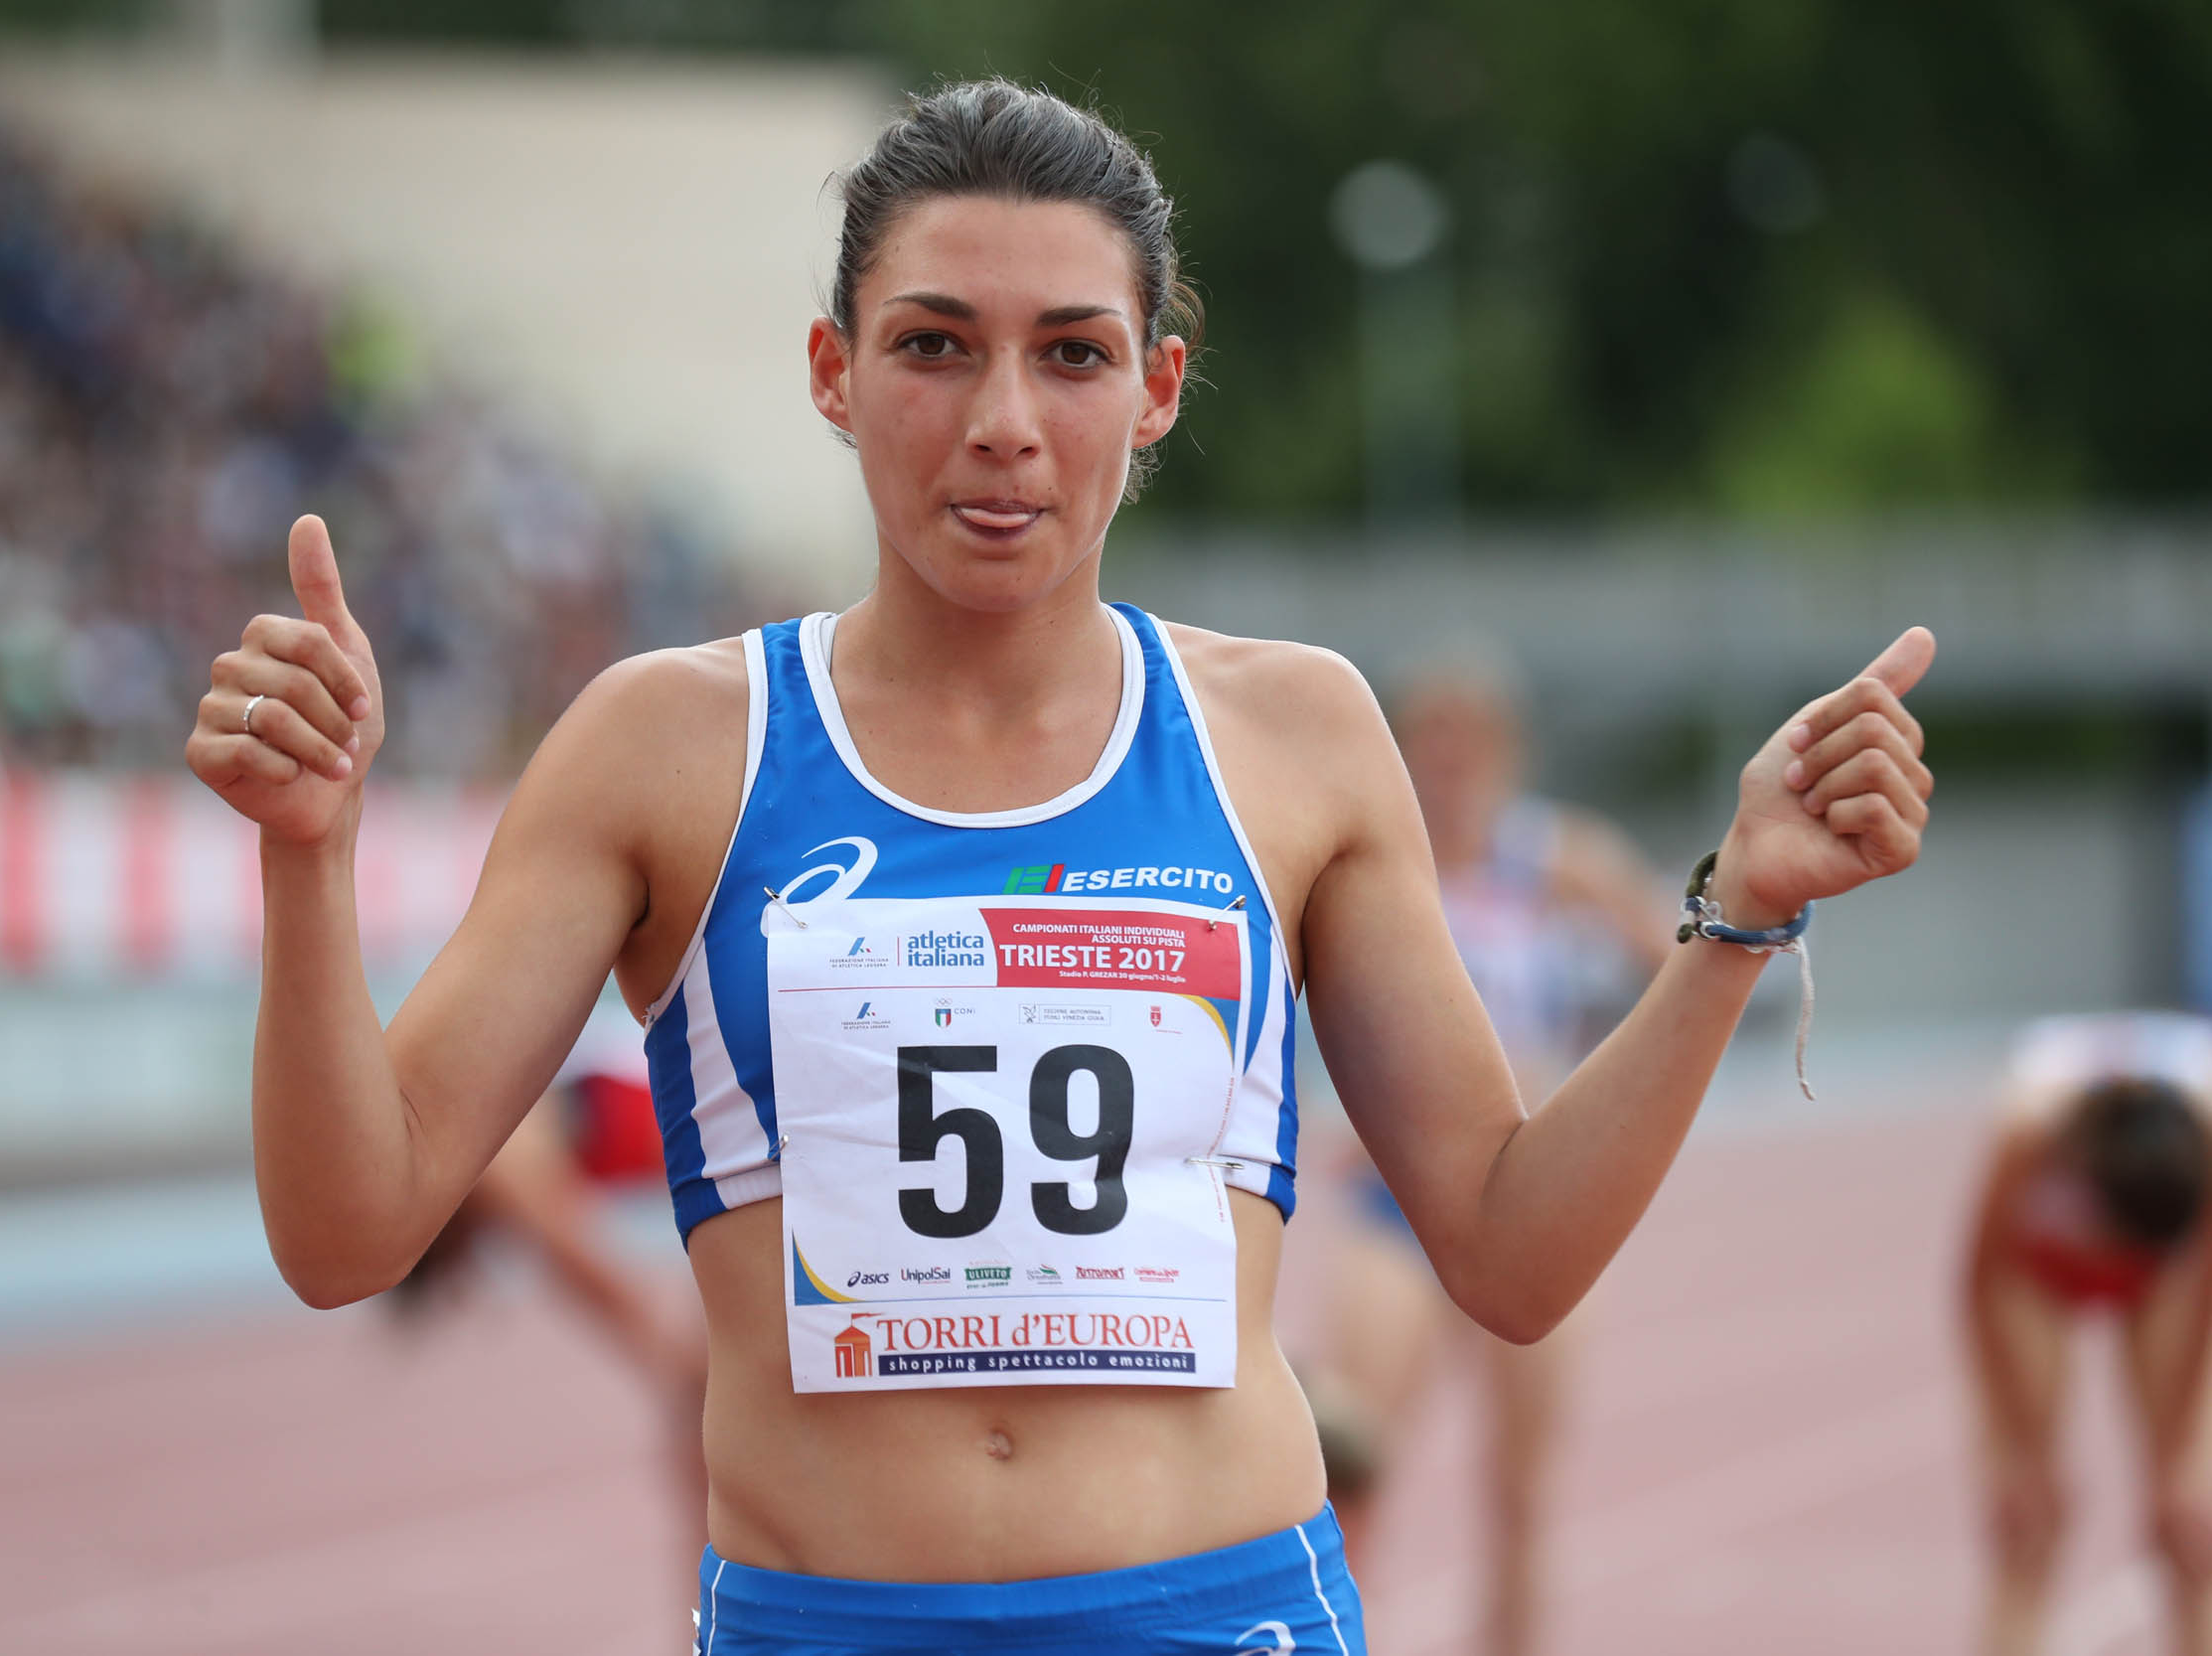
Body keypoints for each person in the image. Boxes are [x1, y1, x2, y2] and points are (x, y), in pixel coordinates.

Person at [184, 79, 1935, 1655]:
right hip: (825, 1624)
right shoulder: (667, 745)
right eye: (935, 345)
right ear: (833, 371)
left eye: (1074, 354)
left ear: (1157, 387)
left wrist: (1738, 913)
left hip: (1225, 1615)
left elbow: (1508, 1249)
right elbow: (348, 1231)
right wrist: (306, 860)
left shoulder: (1295, 735)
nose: (1004, 420)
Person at [1320, 658, 1670, 1655]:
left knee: (1518, 1491)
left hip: (1531, 1191)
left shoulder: (1557, 862)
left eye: (1468, 740)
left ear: (1508, 753)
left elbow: (1675, 960)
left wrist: (1587, 1084)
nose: (1448, 761)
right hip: (1394, 1204)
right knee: (1347, 1465)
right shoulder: (1370, 854)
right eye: (1431, 739)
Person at [385, 994, 709, 1549]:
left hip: (746, 1107)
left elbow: (594, 1277)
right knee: (704, 1437)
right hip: (731, 1125)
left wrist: (677, 1374)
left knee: (704, 1435)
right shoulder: (503, 1131)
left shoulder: (497, 1156)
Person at [1967, 1011, 2212, 1656]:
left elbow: (2204, 1303)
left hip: (2169, 1281)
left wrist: (2176, 1466)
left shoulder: (2206, 1135)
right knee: (2028, 1524)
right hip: (2035, 1271)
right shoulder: (2029, 1124)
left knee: (2193, 1527)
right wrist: (2023, 1455)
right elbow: (1981, 1281)